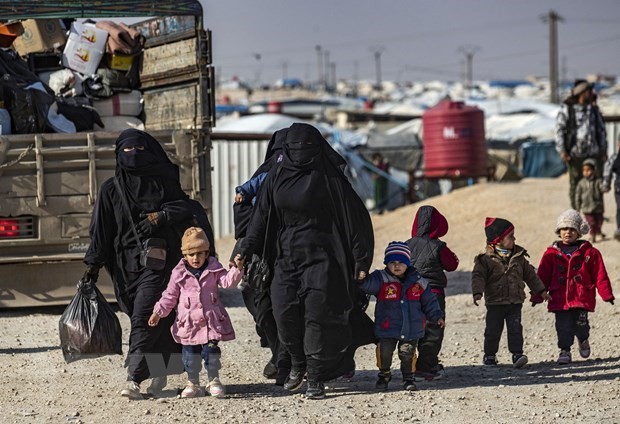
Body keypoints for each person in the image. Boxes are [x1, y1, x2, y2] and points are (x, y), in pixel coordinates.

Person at [240, 122, 375, 400]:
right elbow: (260, 217)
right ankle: (296, 363)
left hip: (323, 258)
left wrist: (361, 261)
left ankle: (314, 376)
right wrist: (246, 249)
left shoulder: (330, 178)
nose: (301, 151)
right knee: (284, 312)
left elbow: (355, 221)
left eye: (307, 146)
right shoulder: (276, 176)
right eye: (296, 146)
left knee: (318, 317)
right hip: (284, 257)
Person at [83, 129, 215, 400]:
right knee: (149, 318)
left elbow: (190, 208)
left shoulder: (163, 183)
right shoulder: (112, 189)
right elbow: (101, 231)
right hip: (126, 268)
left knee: (145, 316)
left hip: (161, 265)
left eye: (140, 150)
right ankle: (160, 373)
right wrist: (92, 267)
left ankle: (133, 379)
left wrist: (162, 216)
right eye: (127, 151)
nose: (133, 157)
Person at [148, 227, 244, 398]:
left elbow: (228, 282)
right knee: (190, 355)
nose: (195, 258)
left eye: (200, 253)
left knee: (211, 352)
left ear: (207, 253)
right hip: (188, 323)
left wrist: (237, 269)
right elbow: (169, 296)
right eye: (191, 254)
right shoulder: (178, 274)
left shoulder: (214, 269)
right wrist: (158, 312)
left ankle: (214, 380)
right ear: (184, 256)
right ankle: (193, 383)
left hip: (210, 322)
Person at [231, 128, 291, 386]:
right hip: (259, 249)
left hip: (294, 249)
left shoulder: (313, 176)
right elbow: (242, 205)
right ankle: (279, 354)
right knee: (255, 297)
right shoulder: (265, 175)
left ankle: (288, 359)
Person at [358, 241, 445, 392]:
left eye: (401, 262)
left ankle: (408, 378)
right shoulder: (381, 279)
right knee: (384, 352)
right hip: (387, 326)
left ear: (408, 263)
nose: (397, 266)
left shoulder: (418, 282)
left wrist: (436, 315)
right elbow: (368, 285)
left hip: (412, 327)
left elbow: (430, 301)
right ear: (387, 263)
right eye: (392, 262)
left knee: (407, 353)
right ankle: (384, 374)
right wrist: (362, 279)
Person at [533, 209, 615, 365]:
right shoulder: (550, 254)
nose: (567, 232)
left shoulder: (591, 253)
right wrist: (537, 295)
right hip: (559, 298)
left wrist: (607, 295)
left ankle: (583, 339)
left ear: (579, 232)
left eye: (572, 229)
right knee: (562, 327)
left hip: (581, 297)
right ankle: (565, 351)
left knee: (581, 325)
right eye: (564, 229)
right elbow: (542, 276)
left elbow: (600, 275)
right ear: (559, 231)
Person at [471, 217, 550, 368]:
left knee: (515, 329)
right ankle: (490, 355)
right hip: (495, 302)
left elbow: (530, 275)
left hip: (515, 301)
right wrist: (477, 292)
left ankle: (517, 354)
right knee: (493, 331)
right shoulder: (485, 259)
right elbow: (478, 277)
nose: (514, 239)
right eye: (511, 236)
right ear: (498, 240)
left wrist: (541, 291)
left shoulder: (519, 256)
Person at [405, 205, 459, 382]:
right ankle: (426, 368)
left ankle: (408, 366)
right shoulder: (438, 246)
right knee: (433, 329)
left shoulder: (406, 245)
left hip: (410, 293)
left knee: (412, 328)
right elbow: (452, 265)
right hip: (433, 294)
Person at [555, 79, 607, 209]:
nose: (591, 93)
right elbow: (559, 129)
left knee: (596, 184)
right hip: (575, 154)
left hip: (594, 153)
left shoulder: (593, 110)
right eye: (588, 91)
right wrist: (562, 150)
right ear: (582, 92)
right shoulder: (568, 109)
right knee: (575, 184)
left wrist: (603, 150)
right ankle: (576, 212)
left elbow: (601, 130)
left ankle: (595, 213)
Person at [575, 158, 606, 243]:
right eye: (584, 170)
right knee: (591, 223)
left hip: (598, 207)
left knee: (599, 221)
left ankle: (598, 231)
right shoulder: (581, 183)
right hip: (587, 208)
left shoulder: (598, 181)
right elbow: (578, 195)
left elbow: (603, 189)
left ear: (594, 170)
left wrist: (606, 186)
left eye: (588, 170)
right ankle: (592, 235)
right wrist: (577, 206)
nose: (586, 172)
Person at [602, 136, 620, 241]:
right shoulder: (615, 157)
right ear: (618, 143)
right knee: (619, 208)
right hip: (619, 189)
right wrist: (606, 184)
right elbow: (607, 170)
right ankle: (619, 229)